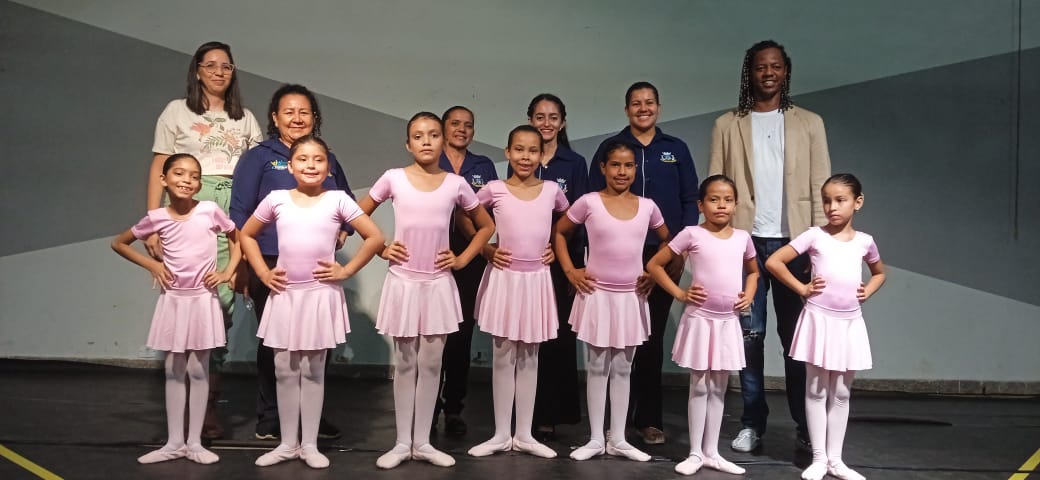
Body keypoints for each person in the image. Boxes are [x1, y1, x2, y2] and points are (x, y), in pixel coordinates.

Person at [708, 39, 832, 453]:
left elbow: (821, 186)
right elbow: (714, 187)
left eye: (775, 66)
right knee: (750, 335)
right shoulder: (727, 124)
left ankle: (805, 424)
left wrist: (818, 247)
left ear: (786, 71)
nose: (768, 73)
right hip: (745, 244)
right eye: (760, 66)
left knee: (796, 338)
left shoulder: (809, 122)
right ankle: (752, 423)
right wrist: (717, 244)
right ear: (750, 72)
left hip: (794, 246)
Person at [360, 112, 495, 469]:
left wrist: (463, 258)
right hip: (403, 282)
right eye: (418, 135)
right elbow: (358, 214)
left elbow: (485, 226)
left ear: (442, 141)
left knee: (432, 365)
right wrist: (380, 247)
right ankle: (402, 442)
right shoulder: (393, 178)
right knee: (406, 364)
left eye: (433, 135)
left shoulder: (456, 184)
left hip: (438, 284)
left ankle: (423, 442)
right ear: (408, 143)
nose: (426, 141)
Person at [239, 135, 384, 469]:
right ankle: (287, 443)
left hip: (319, 295)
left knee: (314, 371)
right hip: (285, 294)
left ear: (328, 167)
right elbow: (246, 234)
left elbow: (375, 236)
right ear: (290, 166)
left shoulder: (338, 200)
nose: (310, 165)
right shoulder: (277, 199)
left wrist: (346, 269)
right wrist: (262, 271)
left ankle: (310, 444)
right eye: (302, 159)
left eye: (318, 159)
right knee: (284, 370)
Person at [148, 41, 263, 438]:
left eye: (226, 66)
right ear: (197, 70)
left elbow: (255, 172)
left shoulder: (245, 118)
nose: (218, 72)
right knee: (189, 299)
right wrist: (154, 222)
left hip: (233, 206)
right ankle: (182, 404)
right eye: (210, 65)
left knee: (222, 305)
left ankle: (208, 404)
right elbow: (160, 166)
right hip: (188, 206)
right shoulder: (176, 111)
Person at [230, 84, 351, 441]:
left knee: (317, 344)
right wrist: (246, 265)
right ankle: (271, 417)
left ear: (314, 117)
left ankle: (311, 418)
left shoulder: (326, 156)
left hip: (317, 267)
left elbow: (345, 201)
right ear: (274, 117)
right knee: (276, 343)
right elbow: (240, 212)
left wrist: (343, 229)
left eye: (304, 112)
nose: (297, 118)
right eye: (289, 112)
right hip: (271, 264)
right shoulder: (259, 157)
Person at [589, 82, 698, 445]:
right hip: (617, 256)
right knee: (610, 342)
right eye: (636, 103)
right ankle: (606, 424)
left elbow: (689, 199)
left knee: (649, 339)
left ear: (659, 107)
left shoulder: (676, 149)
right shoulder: (612, 147)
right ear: (626, 110)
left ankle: (647, 419)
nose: (643, 108)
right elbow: (592, 201)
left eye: (649, 102)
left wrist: (680, 250)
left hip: (663, 254)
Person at [113, 154, 240, 465]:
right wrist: (153, 265)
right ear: (164, 180)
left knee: (199, 369)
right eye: (180, 174)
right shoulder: (157, 218)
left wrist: (227, 272)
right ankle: (173, 442)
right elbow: (120, 243)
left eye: (194, 176)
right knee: (173, 369)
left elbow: (236, 239)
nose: (187, 180)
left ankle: (195, 442)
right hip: (174, 300)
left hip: (203, 299)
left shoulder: (209, 210)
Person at [765, 174, 884, 480]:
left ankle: (836, 460)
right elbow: (774, 262)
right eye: (827, 200)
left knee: (841, 392)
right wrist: (802, 288)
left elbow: (879, 272)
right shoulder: (814, 236)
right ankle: (818, 458)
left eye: (840, 200)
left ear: (857, 202)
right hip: (819, 319)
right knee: (816, 389)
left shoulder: (864, 241)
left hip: (848, 323)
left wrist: (868, 290)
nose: (832, 207)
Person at [557, 141, 669, 463]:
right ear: (603, 168)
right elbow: (560, 233)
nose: (622, 171)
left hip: (631, 296)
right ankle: (595, 438)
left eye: (628, 165)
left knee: (623, 368)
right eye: (616, 165)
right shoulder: (589, 202)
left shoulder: (648, 207)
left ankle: (618, 437)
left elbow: (669, 242)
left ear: (636, 169)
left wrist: (653, 271)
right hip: (597, 295)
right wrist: (570, 271)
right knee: (596, 366)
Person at [467, 125, 567, 459]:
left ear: (542, 155)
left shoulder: (552, 190)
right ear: (508, 152)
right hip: (505, 278)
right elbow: (466, 214)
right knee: (503, 354)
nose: (526, 157)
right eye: (519, 150)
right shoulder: (494, 189)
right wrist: (484, 248)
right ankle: (500, 433)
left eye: (533, 150)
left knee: (530, 356)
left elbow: (566, 223)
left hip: (536, 279)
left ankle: (524, 433)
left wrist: (555, 247)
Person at [647, 175, 758, 476]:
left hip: (727, 321)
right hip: (700, 320)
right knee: (699, 384)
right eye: (714, 199)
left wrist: (749, 294)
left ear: (736, 205)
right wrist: (680, 293)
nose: (721, 205)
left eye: (727, 200)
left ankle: (712, 452)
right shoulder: (691, 234)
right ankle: (695, 452)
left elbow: (753, 271)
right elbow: (654, 265)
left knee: (719, 387)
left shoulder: (742, 238)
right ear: (701, 205)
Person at [522, 94, 588, 440]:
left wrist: (569, 261)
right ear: (530, 120)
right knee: (527, 337)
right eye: (539, 117)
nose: (546, 123)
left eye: (552, 117)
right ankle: (524, 413)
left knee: (557, 337)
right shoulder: (523, 158)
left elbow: (580, 215)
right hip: (525, 261)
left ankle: (550, 413)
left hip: (562, 262)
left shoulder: (574, 163)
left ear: (562, 122)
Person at [434, 105, 499, 437]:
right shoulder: (431, 159)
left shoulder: (483, 165)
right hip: (432, 256)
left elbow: (494, 212)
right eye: (455, 123)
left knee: (461, 335)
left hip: (471, 256)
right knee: (432, 335)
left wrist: (484, 246)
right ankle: (427, 406)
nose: (461, 129)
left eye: (468, 125)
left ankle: (454, 408)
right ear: (443, 128)